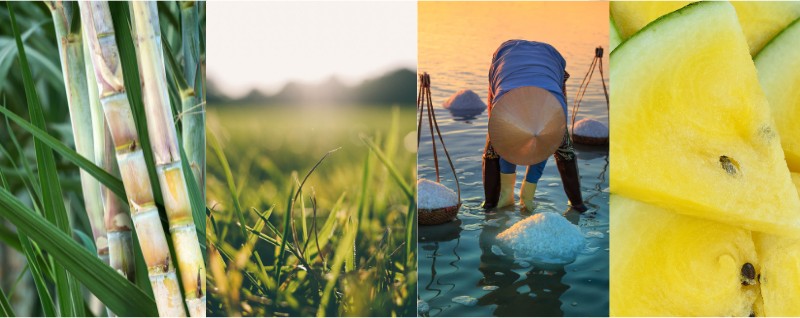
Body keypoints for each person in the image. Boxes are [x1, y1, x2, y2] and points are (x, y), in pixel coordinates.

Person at [482, 40, 587, 212]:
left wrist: (495, 133)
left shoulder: (553, 69)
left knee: (494, 148)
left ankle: (491, 206)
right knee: (564, 152)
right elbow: (494, 104)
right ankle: (578, 205)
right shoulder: (501, 60)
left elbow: (491, 103)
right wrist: (530, 185)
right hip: (511, 94)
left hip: (523, 95)